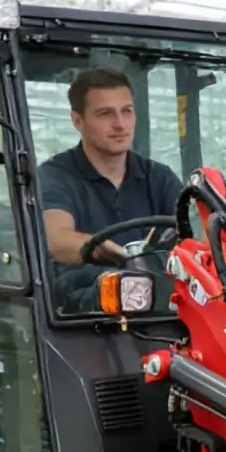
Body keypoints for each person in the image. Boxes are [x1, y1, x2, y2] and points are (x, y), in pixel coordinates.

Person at [37, 67, 184, 312]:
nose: (120, 124)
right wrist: (113, 253)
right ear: (77, 120)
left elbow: (197, 234)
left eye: (126, 111)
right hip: (82, 314)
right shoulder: (54, 176)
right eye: (105, 114)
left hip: (156, 307)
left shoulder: (158, 177)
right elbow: (57, 240)